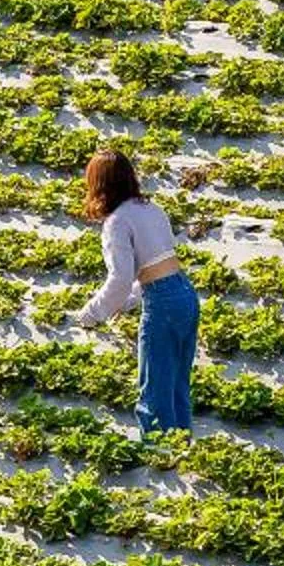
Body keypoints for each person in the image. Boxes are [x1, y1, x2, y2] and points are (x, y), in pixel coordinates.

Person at [75, 147, 196, 437]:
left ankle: (159, 458)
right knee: (177, 383)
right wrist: (127, 302)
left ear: (99, 185)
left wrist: (91, 313)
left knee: (154, 390)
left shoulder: (117, 222)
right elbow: (157, 266)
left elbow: (120, 279)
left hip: (163, 301)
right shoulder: (152, 209)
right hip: (184, 293)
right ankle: (181, 447)